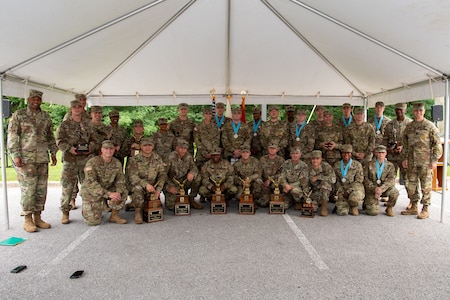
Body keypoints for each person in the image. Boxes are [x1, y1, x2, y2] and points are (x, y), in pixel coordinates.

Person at [7, 89, 58, 232]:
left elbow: (50, 136)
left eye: (38, 99)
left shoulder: (45, 116)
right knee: (29, 189)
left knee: (41, 189)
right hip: (26, 159)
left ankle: (38, 217)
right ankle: (27, 219)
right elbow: (12, 135)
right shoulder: (20, 115)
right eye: (33, 99)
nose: (36, 101)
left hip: (42, 158)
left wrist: (53, 152)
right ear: (29, 99)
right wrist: (15, 154)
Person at [56, 99, 96, 224]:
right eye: (75, 107)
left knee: (88, 186)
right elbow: (59, 141)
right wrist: (69, 148)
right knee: (67, 187)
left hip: (85, 160)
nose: (78, 109)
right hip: (70, 160)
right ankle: (65, 212)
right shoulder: (65, 124)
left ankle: (88, 212)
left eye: (79, 107)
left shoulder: (88, 124)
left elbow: (95, 140)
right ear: (71, 109)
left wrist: (91, 148)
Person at [400, 102, 443, 219]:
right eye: (415, 111)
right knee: (411, 184)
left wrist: (434, 160)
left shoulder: (430, 126)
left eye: (420, 111)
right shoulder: (409, 127)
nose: (418, 113)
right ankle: (414, 206)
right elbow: (405, 145)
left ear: (423, 111)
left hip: (425, 162)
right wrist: (404, 158)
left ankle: (425, 208)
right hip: (411, 161)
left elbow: (438, 145)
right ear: (413, 112)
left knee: (426, 186)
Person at [81, 140, 128, 225]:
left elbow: (120, 180)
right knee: (93, 222)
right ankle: (92, 208)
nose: (108, 151)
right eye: (106, 148)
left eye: (111, 149)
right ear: (101, 150)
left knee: (123, 191)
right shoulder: (92, 162)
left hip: (108, 187)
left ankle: (114, 215)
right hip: (92, 191)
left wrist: (118, 192)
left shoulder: (117, 163)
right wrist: (109, 194)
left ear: (114, 150)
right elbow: (91, 183)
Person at [125, 137, 166, 223]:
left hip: (153, 187)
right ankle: (138, 212)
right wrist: (146, 185)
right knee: (137, 189)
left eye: (150, 145)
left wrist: (158, 189)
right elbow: (132, 177)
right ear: (141, 147)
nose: (147, 147)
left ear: (153, 146)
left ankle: (133, 204)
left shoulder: (157, 159)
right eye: (145, 145)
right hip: (139, 185)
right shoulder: (134, 160)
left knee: (153, 205)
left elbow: (162, 175)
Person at [164, 139, 203, 211]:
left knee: (198, 178)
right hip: (173, 183)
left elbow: (194, 168)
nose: (183, 150)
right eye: (181, 148)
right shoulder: (170, 157)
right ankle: (180, 197)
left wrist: (192, 173)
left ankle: (191, 199)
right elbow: (163, 175)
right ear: (176, 148)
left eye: (185, 148)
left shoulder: (189, 156)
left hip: (185, 182)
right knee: (172, 206)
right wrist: (169, 187)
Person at [363, 145, 399, 216]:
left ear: (386, 153)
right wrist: (374, 189)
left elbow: (391, 179)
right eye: (379, 152)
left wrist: (381, 189)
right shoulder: (369, 164)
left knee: (395, 192)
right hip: (372, 190)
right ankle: (367, 203)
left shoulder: (390, 165)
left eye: (383, 152)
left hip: (384, 189)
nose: (381, 154)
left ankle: (389, 207)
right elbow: (365, 178)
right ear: (376, 153)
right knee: (373, 212)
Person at [383, 103, 412, 188]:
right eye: (397, 109)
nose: (399, 111)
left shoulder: (410, 124)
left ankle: (412, 199)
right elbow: (385, 139)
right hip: (392, 155)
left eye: (401, 109)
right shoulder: (390, 124)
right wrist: (388, 149)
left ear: (405, 110)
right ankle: (389, 195)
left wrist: (403, 147)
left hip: (405, 156)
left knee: (408, 178)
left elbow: (413, 140)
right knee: (389, 177)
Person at [333, 144, 365, 216]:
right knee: (342, 212)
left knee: (354, 198)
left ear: (351, 154)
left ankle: (353, 206)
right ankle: (346, 204)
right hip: (342, 189)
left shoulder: (357, 164)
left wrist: (348, 191)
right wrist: (341, 190)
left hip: (354, 189)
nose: (346, 155)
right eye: (344, 153)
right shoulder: (337, 165)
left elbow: (359, 180)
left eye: (348, 153)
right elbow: (336, 180)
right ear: (341, 154)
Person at [306, 150, 336, 216]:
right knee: (312, 208)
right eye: (313, 158)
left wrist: (318, 177)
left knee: (325, 184)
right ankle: (317, 202)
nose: (315, 161)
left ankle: (324, 206)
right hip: (315, 191)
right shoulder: (308, 168)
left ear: (321, 159)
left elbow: (333, 179)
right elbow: (305, 182)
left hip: (327, 191)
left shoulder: (326, 166)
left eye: (317, 158)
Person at [194, 107, 221, 171]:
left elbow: (217, 140)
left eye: (210, 114)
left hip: (213, 154)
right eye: (206, 113)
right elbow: (197, 140)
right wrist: (204, 153)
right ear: (203, 115)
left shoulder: (215, 126)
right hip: (201, 154)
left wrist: (212, 153)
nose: (208, 115)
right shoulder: (198, 126)